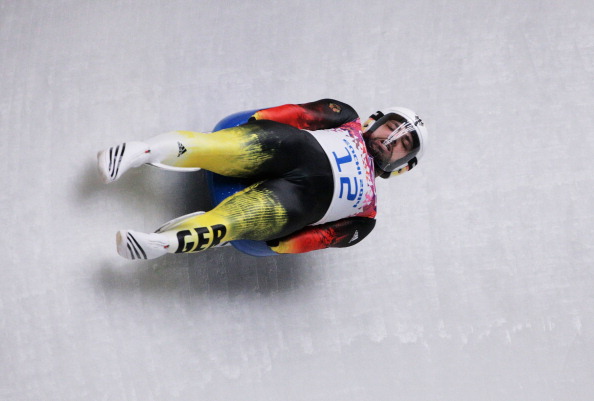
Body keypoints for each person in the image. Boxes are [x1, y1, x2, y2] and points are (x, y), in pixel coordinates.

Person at [97, 99, 428, 260]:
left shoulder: (365, 217)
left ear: (403, 164)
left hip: (291, 202)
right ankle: (138, 152)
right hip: (284, 148)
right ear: (377, 120)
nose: (391, 139)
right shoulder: (345, 117)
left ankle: (163, 244)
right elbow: (300, 113)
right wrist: (259, 121)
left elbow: (323, 237)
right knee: (219, 147)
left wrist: (282, 244)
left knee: (236, 222)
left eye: (403, 143)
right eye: (392, 127)